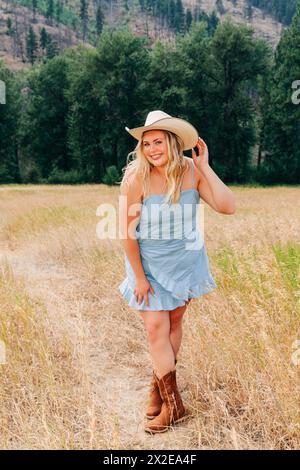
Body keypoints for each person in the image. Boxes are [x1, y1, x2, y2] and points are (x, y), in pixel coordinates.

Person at [118, 110, 235, 434]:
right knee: (156, 328)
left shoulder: (191, 171)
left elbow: (228, 206)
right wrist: (139, 278)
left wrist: (206, 168)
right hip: (148, 266)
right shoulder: (135, 179)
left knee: (174, 323)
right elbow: (127, 233)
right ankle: (174, 404)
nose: (152, 149)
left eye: (158, 142)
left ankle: (157, 388)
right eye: (146, 143)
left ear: (172, 143)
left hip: (184, 263)